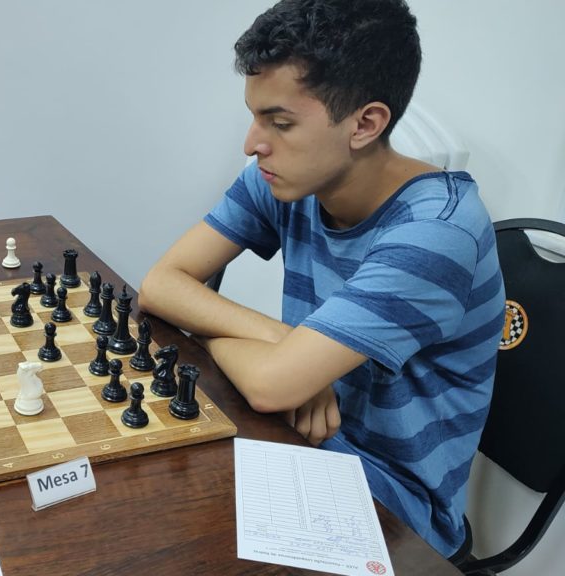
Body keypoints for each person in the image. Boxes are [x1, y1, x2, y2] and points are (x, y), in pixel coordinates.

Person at [139, 0, 504, 558]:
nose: (252, 143)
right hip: (294, 437)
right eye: (255, 116)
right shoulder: (282, 178)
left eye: (280, 123)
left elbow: (269, 385)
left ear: (365, 124)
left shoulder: (437, 233)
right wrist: (283, 343)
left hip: (395, 509)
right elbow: (161, 284)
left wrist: (213, 334)